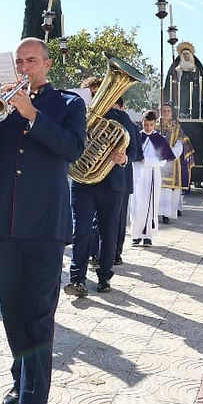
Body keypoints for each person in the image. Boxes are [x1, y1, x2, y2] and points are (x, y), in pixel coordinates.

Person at [0, 38, 87, 404]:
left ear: (47, 64)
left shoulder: (68, 105)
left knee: (39, 314)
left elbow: (72, 149)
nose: (23, 67)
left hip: (45, 227)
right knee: (11, 307)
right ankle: (20, 376)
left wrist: (32, 114)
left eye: (31, 60)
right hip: (2, 223)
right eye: (18, 61)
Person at [65, 80, 139, 296]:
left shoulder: (121, 119)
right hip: (82, 182)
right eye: (92, 94)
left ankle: (104, 276)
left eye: (99, 93)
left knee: (109, 232)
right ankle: (76, 278)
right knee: (81, 230)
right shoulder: (74, 117)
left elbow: (135, 151)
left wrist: (123, 158)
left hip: (111, 183)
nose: (96, 99)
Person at [130, 111, 176, 247]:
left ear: (155, 123)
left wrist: (148, 161)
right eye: (145, 124)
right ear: (142, 122)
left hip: (153, 175)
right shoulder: (137, 137)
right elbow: (132, 156)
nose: (148, 127)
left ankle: (148, 236)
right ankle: (136, 235)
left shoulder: (159, 139)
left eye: (151, 125)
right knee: (137, 205)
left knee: (151, 205)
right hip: (138, 175)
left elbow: (164, 161)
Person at [113, 98, 141, 265]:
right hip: (97, 180)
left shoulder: (129, 124)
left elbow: (137, 153)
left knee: (119, 218)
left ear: (122, 108)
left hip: (121, 179)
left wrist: (125, 158)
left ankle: (116, 253)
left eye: (116, 108)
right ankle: (96, 254)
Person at [157, 104, 191, 223]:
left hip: (171, 162)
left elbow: (180, 143)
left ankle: (166, 214)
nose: (166, 113)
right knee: (156, 188)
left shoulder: (177, 128)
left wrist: (170, 154)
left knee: (167, 190)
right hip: (156, 161)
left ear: (172, 113)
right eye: (164, 110)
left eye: (168, 111)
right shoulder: (154, 125)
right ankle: (154, 213)